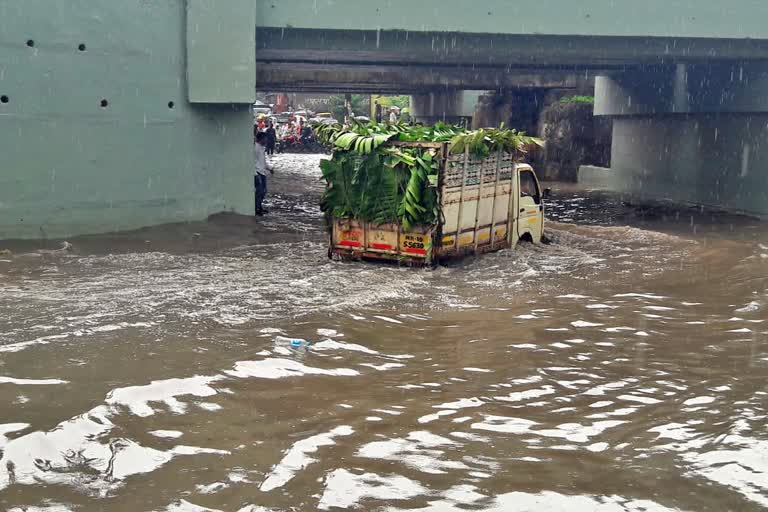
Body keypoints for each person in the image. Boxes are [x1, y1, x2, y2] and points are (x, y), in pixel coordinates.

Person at [254, 131, 273, 216]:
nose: (267, 140)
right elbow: (252, 162)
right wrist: (255, 174)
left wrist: (270, 168)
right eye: (265, 138)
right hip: (257, 172)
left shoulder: (262, 148)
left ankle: (259, 207)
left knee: (263, 191)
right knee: (260, 191)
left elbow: (263, 161)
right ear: (261, 139)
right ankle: (257, 208)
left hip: (262, 172)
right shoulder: (255, 148)